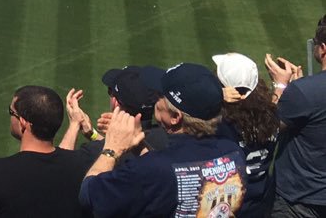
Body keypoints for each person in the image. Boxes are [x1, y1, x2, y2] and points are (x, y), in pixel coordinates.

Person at [80, 63, 247, 217]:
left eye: (160, 95)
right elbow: (176, 170)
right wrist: (140, 146)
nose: (154, 100)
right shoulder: (234, 153)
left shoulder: (152, 169)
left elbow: (90, 196)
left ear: (175, 117)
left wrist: (111, 148)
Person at [0, 85, 89, 218]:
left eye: (12, 112)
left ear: (22, 122)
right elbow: (62, 161)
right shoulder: (82, 166)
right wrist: (75, 124)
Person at [265, 22, 326, 217]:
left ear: (323, 50)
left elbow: (266, 129)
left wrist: (281, 86)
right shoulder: (304, 91)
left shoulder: (304, 92)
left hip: (299, 201)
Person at [212, 53, 279, 218]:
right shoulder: (272, 114)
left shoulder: (220, 123)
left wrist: (216, 95)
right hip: (261, 202)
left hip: (228, 206)